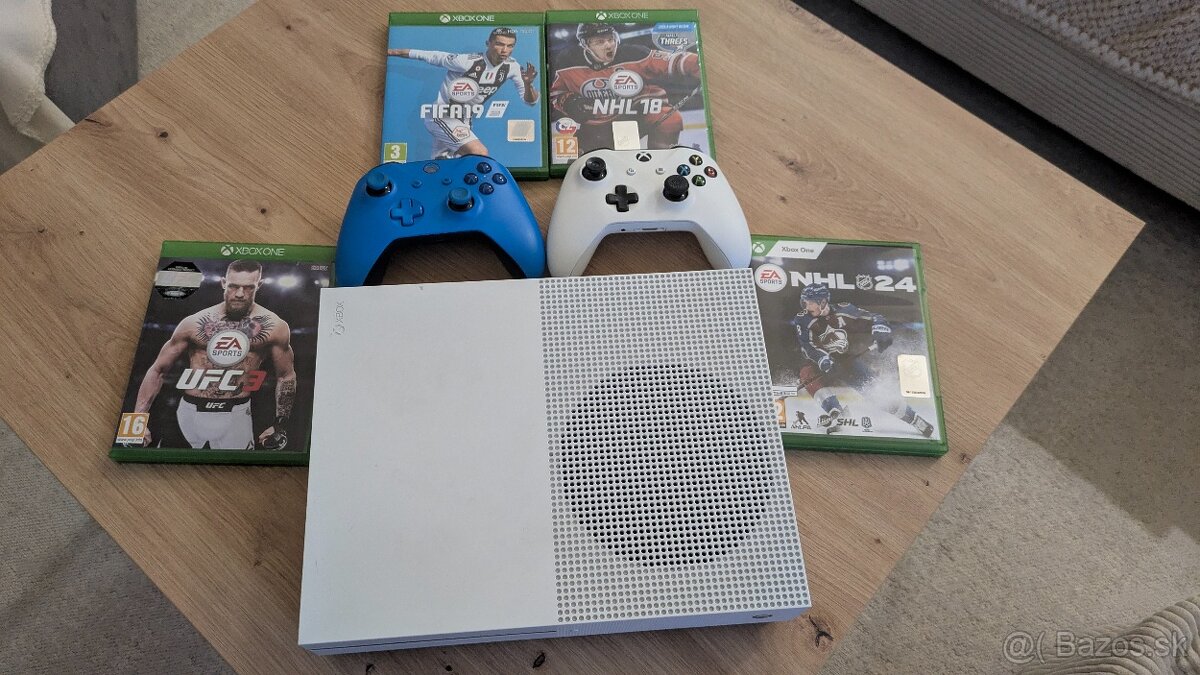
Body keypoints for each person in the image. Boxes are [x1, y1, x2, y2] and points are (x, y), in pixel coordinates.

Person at [135, 260, 295, 450]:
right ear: (223, 283)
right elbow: (158, 370)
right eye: (233, 286)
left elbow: (286, 376)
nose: (240, 294)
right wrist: (137, 421)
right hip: (187, 414)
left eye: (248, 287)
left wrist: (280, 424)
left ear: (258, 285)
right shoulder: (193, 323)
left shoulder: (274, 326)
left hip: (237, 415)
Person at [791, 283, 934, 437]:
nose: (807, 306)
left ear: (823, 302)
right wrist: (824, 360)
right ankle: (837, 413)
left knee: (874, 391)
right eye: (805, 302)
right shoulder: (802, 319)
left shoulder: (845, 310)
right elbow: (808, 346)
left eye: (810, 302)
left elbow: (875, 317)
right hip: (818, 363)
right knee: (807, 374)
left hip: (846, 360)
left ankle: (913, 418)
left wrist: (881, 331)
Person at [389, 27, 539, 159]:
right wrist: (392, 52)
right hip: (443, 115)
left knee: (444, 164)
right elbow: (430, 56)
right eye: (499, 44)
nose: (504, 50)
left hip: (465, 120)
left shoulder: (512, 67)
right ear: (488, 43)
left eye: (510, 46)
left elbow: (531, 101)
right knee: (479, 153)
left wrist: (528, 84)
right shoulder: (467, 61)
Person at [550, 23, 702, 149]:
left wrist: (696, 63)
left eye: (610, 39)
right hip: (596, 127)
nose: (608, 45)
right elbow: (556, 94)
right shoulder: (568, 62)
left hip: (634, 116)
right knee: (580, 163)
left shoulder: (634, 54)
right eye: (600, 42)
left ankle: (662, 158)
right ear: (585, 45)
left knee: (669, 118)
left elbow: (672, 60)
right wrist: (569, 102)